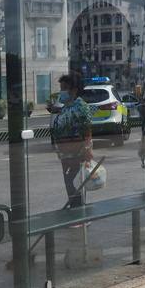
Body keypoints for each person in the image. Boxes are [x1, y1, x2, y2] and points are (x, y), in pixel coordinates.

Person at [51, 72, 93, 208]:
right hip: (65, 154)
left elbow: (86, 131)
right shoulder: (65, 108)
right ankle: (76, 211)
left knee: (75, 183)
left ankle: (79, 214)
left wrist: (87, 150)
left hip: (77, 153)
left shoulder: (80, 107)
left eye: (64, 88)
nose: (62, 92)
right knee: (69, 183)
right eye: (61, 88)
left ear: (74, 90)